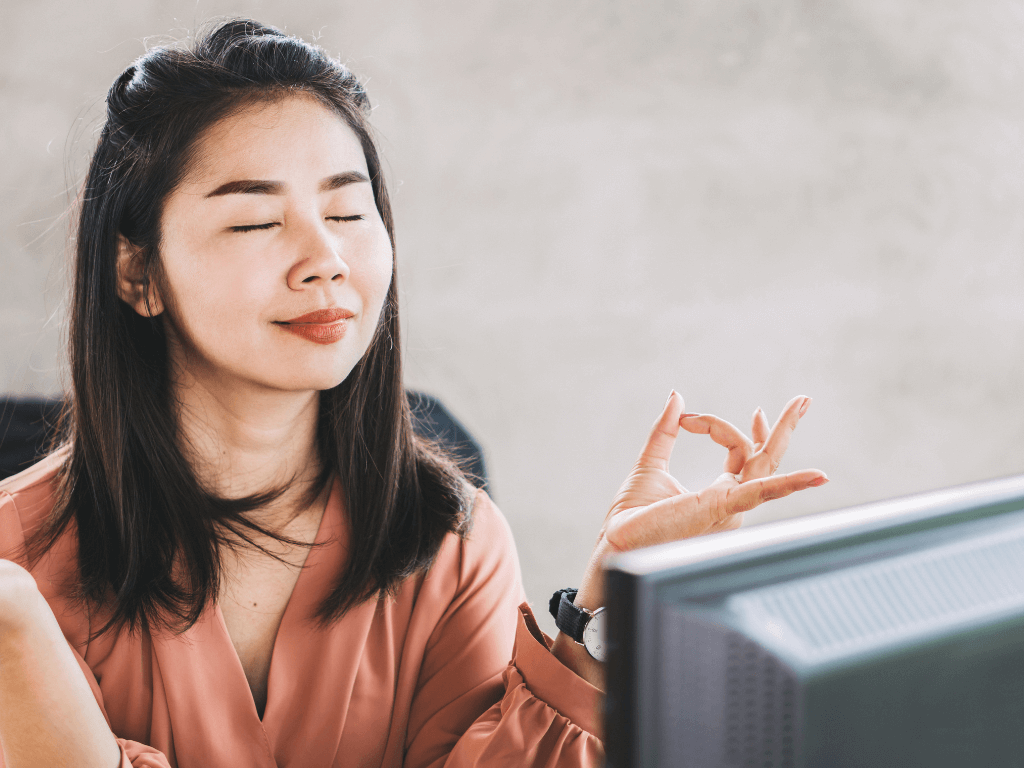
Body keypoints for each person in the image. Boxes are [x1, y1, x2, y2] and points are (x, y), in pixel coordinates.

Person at [0, 19, 827, 768]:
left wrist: (609, 597)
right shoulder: (14, 570)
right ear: (137, 272)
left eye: (350, 213)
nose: (324, 259)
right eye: (256, 222)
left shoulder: (449, 538)